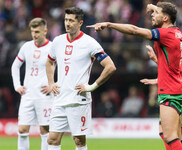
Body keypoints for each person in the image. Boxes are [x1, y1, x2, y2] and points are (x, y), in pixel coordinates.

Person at [88, 2, 182, 150]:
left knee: (170, 136)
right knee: (165, 133)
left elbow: (134, 30)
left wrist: (109, 24)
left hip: (171, 91)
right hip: (174, 88)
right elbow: (169, 15)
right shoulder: (176, 31)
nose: (152, 15)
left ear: (165, 18)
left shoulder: (165, 34)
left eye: (156, 13)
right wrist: (154, 7)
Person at [46, 7, 116, 150]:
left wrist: (91, 87)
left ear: (80, 23)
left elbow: (110, 66)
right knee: (52, 139)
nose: (67, 23)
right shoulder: (58, 41)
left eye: (71, 20)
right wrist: (51, 82)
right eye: (66, 20)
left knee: (78, 141)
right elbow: (49, 61)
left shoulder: (89, 43)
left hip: (78, 100)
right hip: (59, 98)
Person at [140, 42, 182, 150]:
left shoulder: (174, 45)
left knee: (168, 134)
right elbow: (176, 70)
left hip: (177, 91)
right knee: (172, 134)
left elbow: (174, 72)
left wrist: (156, 79)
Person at [11, 18, 53, 150]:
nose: (34, 35)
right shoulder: (26, 46)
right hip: (28, 94)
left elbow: (65, 68)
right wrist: (17, 85)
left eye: (37, 32)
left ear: (45, 31)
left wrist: (54, 85)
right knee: (22, 129)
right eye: (32, 31)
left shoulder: (52, 48)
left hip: (44, 95)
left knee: (45, 130)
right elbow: (15, 66)